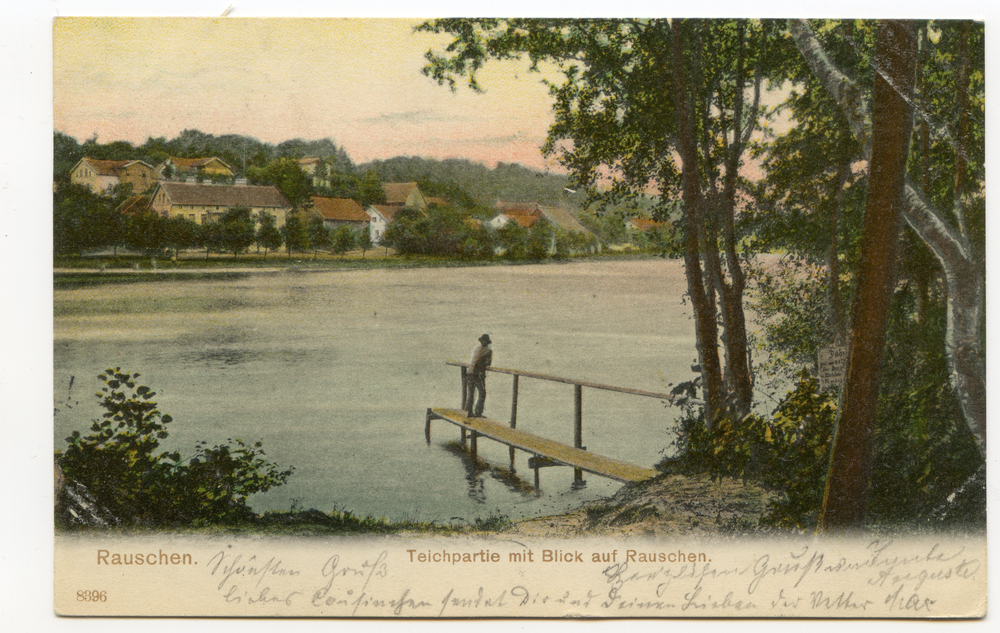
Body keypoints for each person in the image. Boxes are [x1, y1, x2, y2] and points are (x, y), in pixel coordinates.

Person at [465, 334, 492, 417]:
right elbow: (488, 363)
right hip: (478, 373)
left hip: (470, 372)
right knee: (482, 392)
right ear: (487, 343)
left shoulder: (476, 348)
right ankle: (478, 412)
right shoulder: (488, 351)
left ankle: (469, 412)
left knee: (471, 392)